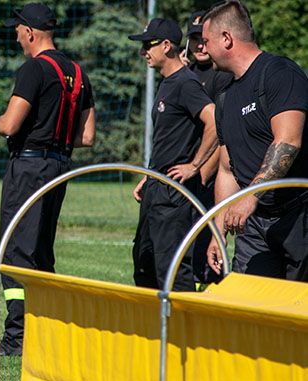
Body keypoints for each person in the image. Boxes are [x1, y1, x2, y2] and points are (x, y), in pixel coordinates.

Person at [0, 3, 96, 357]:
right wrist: (54, 139)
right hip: (60, 166)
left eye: (18, 32)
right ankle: (46, 332)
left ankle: (17, 339)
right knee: (41, 250)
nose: (17, 39)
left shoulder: (34, 69)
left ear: (30, 32)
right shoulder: (77, 72)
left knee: (16, 250)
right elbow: (87, 136)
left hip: (28, 167)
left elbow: (11, 125)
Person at [202, 0, 308, 281]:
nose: (202, 49)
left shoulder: (279, 73)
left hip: (298, 216)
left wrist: (250, 197)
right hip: (255, 226)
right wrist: (218, 229)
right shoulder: (225, 97)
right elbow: (226, 169)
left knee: (297, 312)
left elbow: (288, 141)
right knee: (249, 304)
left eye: (205, 41)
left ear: (226, 39)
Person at [128, 18, 218, 291]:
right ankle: (153, 332)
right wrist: (149, 175)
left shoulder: (185, 83)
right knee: (144, 263)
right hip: (156, 185)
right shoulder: (166, 83)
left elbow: (214, 120)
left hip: (173, 193)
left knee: (173, 270)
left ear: (166, 46)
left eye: (148, 45)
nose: (144, 52)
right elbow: (167, 140)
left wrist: (194, 165)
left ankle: (182, 333)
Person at [183, 9, 235, 286]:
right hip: (186, 171)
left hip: (207, 175)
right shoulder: (186, 74)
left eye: (203, 39)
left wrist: (203, 172)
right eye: (194, 39)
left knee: (207, 243)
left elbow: (220, 131)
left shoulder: (221, 77)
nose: (199, 46)